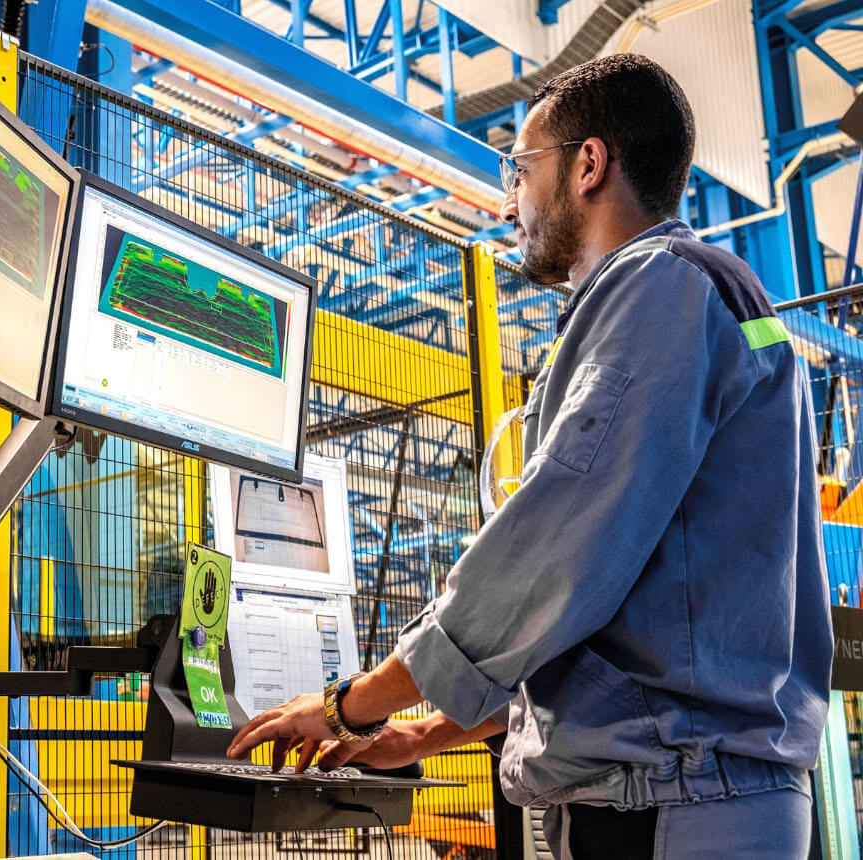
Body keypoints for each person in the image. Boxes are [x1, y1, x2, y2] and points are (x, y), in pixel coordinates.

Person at [226, 54, 832, 859]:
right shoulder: (721, 292)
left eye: (521, 168)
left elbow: (555, 547)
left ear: (588, 164)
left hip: (675, 804)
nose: (511, 200)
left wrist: (353, 704)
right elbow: (615, 612)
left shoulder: (659, 288)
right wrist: (424, 735)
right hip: (702, 794)